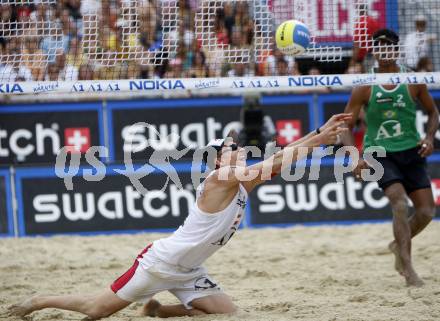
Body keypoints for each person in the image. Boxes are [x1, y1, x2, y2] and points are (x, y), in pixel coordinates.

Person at [8, 115, 350, 320]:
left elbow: (280, 159)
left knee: (225, 312)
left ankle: (159, 311)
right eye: (233, 149)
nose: (242, 149)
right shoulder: (219, 180)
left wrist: (320, 132)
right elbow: (272, 163)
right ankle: (38, 301)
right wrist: (320, 139)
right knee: (97, 310)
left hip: (189, 271)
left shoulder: (242, 182)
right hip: (160, 263)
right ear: (218, 161)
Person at [343, 29, 439, 287]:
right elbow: (345, 127)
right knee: (398, 202)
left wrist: (430, 138)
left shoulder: (413, 80)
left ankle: (398, 246)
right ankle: (408, 269)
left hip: (411, 151)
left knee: (427, 212)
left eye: (388, 47)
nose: (383, 51)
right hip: (380, 154)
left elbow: (433, 113)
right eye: (378, 47)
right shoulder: (365, 85)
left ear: (396, 50)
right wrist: (354, 157)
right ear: (374, 51)